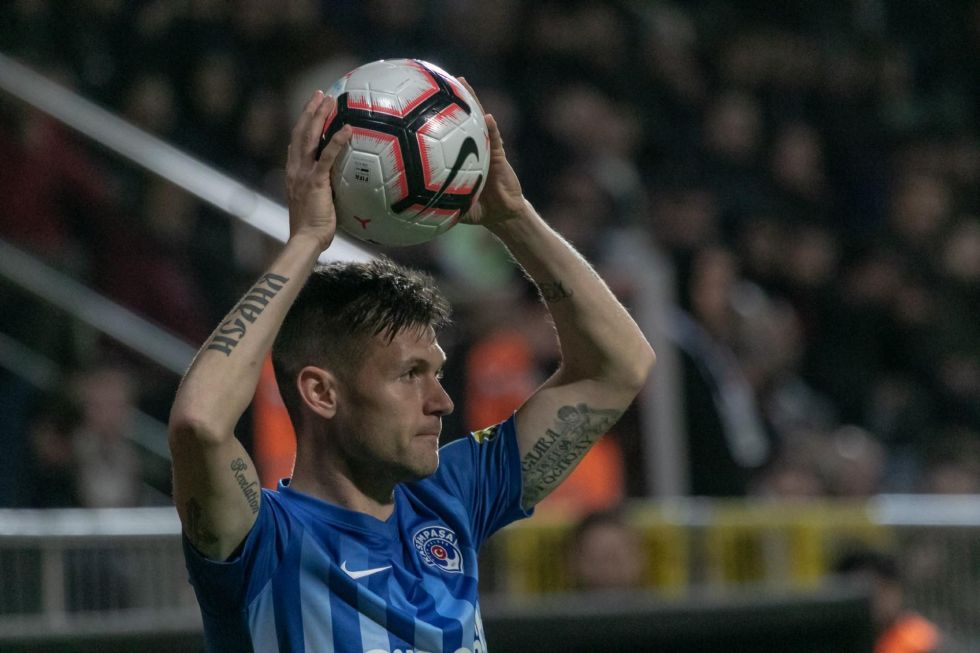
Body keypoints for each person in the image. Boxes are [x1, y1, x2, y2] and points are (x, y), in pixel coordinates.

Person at [168, 84, 655, 652]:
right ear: (322, 393)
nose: (442, 402)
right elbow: (200, 423)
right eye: (409, 375)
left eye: (437, 374)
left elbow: (618, 367)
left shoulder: (452, 495)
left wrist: (513, 217)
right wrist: (306, 242)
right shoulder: (261, 540)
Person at [835, 549, 944, 653]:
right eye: (861, 592)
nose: (874, 601)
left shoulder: (919, 641)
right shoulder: (834, 638)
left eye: (882, 590)